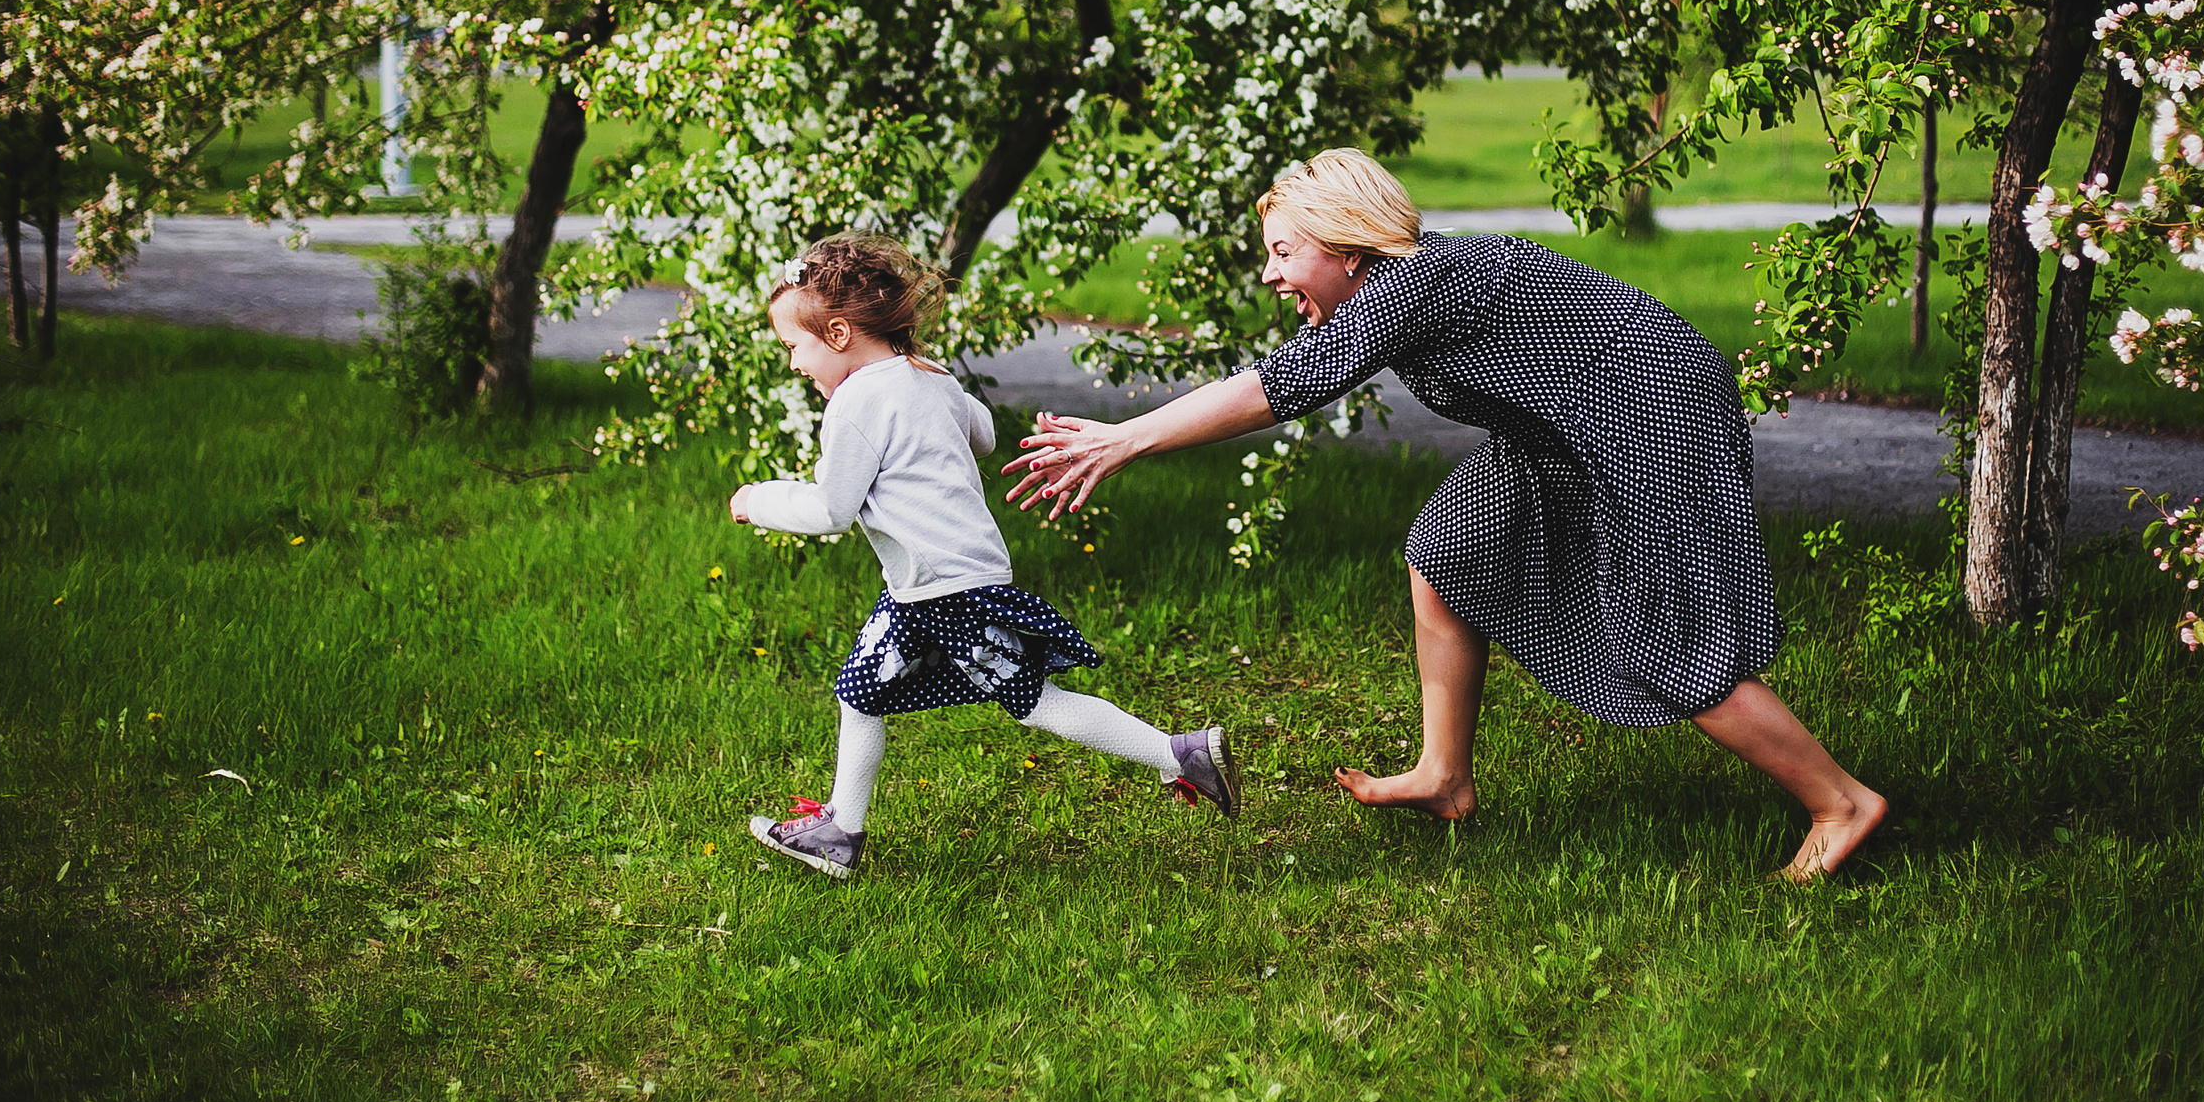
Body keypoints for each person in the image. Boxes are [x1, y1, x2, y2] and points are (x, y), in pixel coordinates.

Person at [1004, 149, 1887, 880]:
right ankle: (1444, 774)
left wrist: (1123, 441)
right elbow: (1290, 368)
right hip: (1565, 425)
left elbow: (1284, 387)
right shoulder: (1397, 291)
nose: (1271, 274)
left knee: (1668, 641)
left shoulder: (1416, 280)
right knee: (1449, 550)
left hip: (1651, 410)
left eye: (1283, 251)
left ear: (1348, 247)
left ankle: (1839, 802)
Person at [731, 234, 1239, 879]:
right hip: (952, 579)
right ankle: (841, 828)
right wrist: (924, 390)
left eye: (794, 348)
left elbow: (833, 509)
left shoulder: (858, 401)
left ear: (837, 334)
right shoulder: (929, 377)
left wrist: (759, 499)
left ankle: (1179, 755)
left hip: (937, 589)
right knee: (868, 692)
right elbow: (984, 434)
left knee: (1032, 702)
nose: (795, 364)